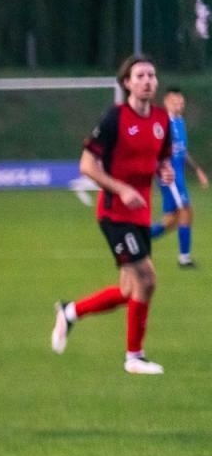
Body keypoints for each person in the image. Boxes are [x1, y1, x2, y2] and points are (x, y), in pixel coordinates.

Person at [51, 55, 175, 375]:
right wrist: (119, 188)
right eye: (140, 76)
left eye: (152, 75)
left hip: (141, 215)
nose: (148, 80)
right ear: (127, 83)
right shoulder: (114, 118)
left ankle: (70, 312)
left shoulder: (162, 120)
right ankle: (134, 357)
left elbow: (161, 160)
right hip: (114, 214)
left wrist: (165, 172)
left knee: (128, 290)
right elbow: (86, 165)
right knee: (147, 280)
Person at [149, 86, 207, 268]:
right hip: (170, 177)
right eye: (176, 102)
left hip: (179, 175)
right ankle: (184, 258)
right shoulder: (161, 124)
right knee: (186, 211)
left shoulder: (179, 122)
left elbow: (182, 151)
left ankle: (140, 237)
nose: (180, 105)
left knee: (171, 220)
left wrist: (197, 170)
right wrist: (157, 172)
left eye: (182, 102)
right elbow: (152, 151)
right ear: (166, 101)